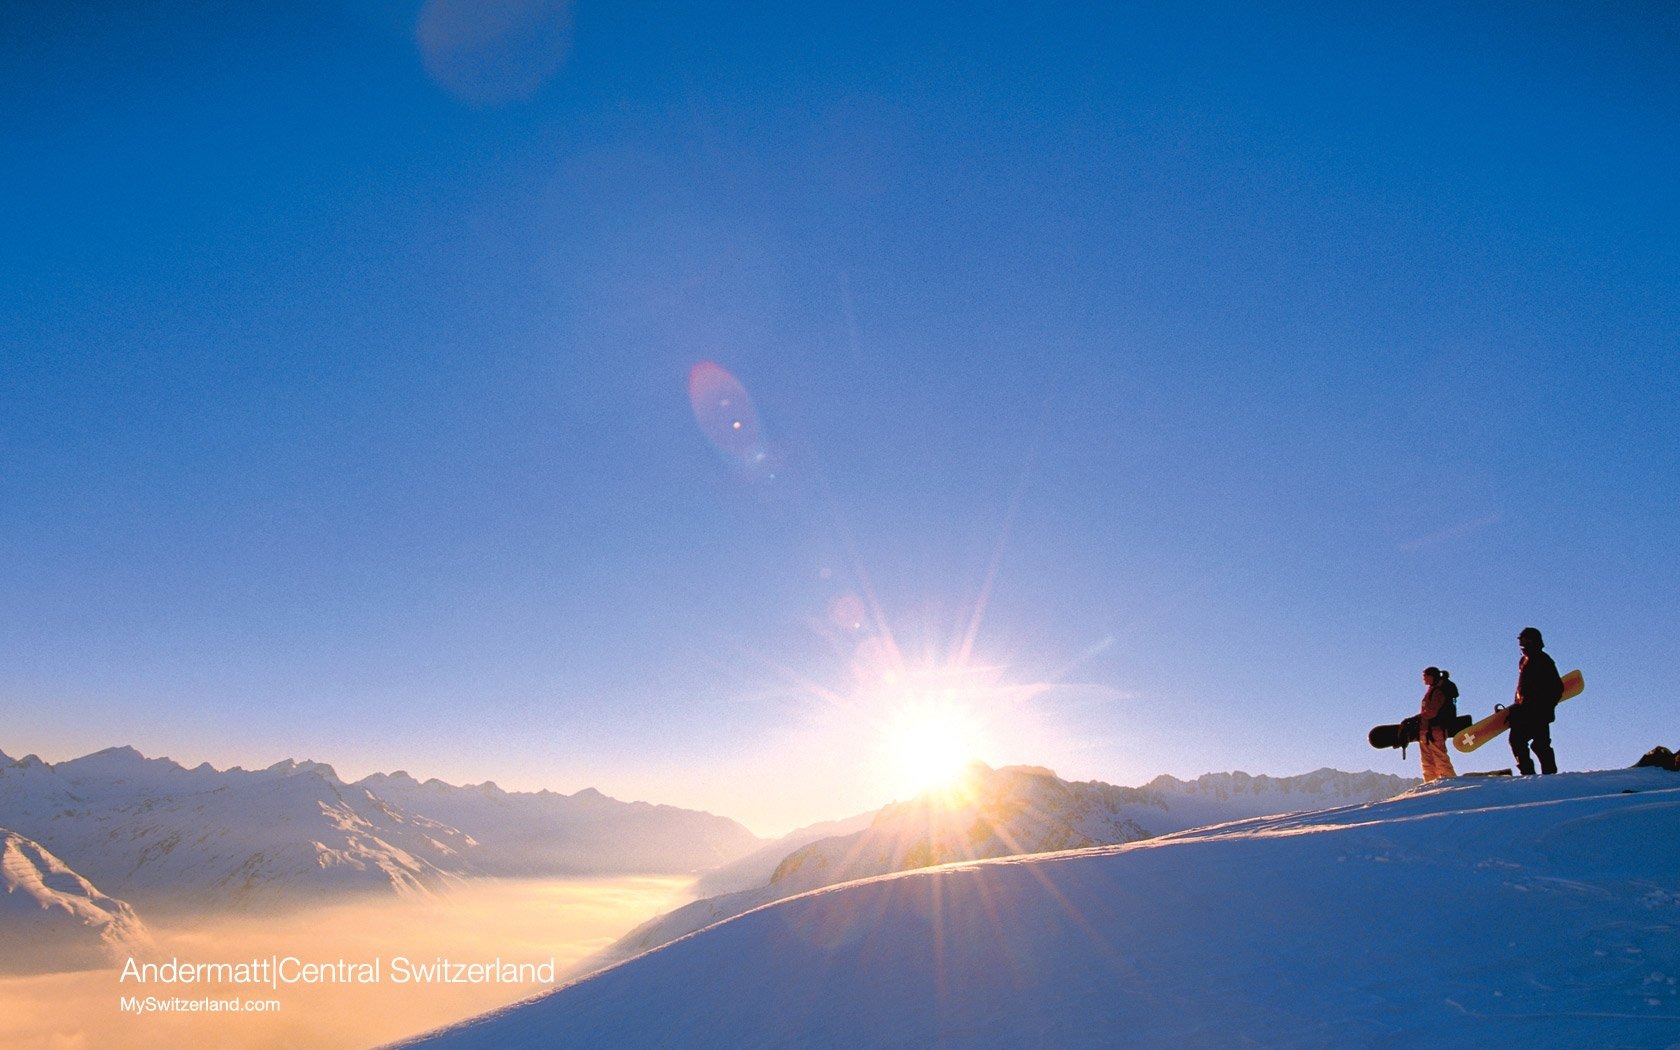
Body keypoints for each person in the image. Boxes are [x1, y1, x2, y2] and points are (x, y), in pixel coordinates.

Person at [1510, 627, 1563, 775]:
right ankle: (1528, 774)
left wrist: (1546, 707)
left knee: (1540, 745)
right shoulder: (1524, 660)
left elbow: (1557, 688)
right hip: (1523, 711)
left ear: (1532, 640)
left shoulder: (1543, 660)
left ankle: (1550, 775)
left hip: (1539, 712)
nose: (1520, 641)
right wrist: (1516, 705)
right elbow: (1522, 688)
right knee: (1517, 741)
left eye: (1523, 638)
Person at [1417, 667, 1457, 782]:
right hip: (1427, 729)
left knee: (1439, 757)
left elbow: (1432, 711)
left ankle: (1450, 781)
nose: (1423, 678)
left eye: (1425, 676)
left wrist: (1418, 718)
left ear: (1431, 676)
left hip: (1436, 728)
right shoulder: (1433, 689)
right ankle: (1430, 783)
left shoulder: (1438, 691)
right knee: (1427, 760)